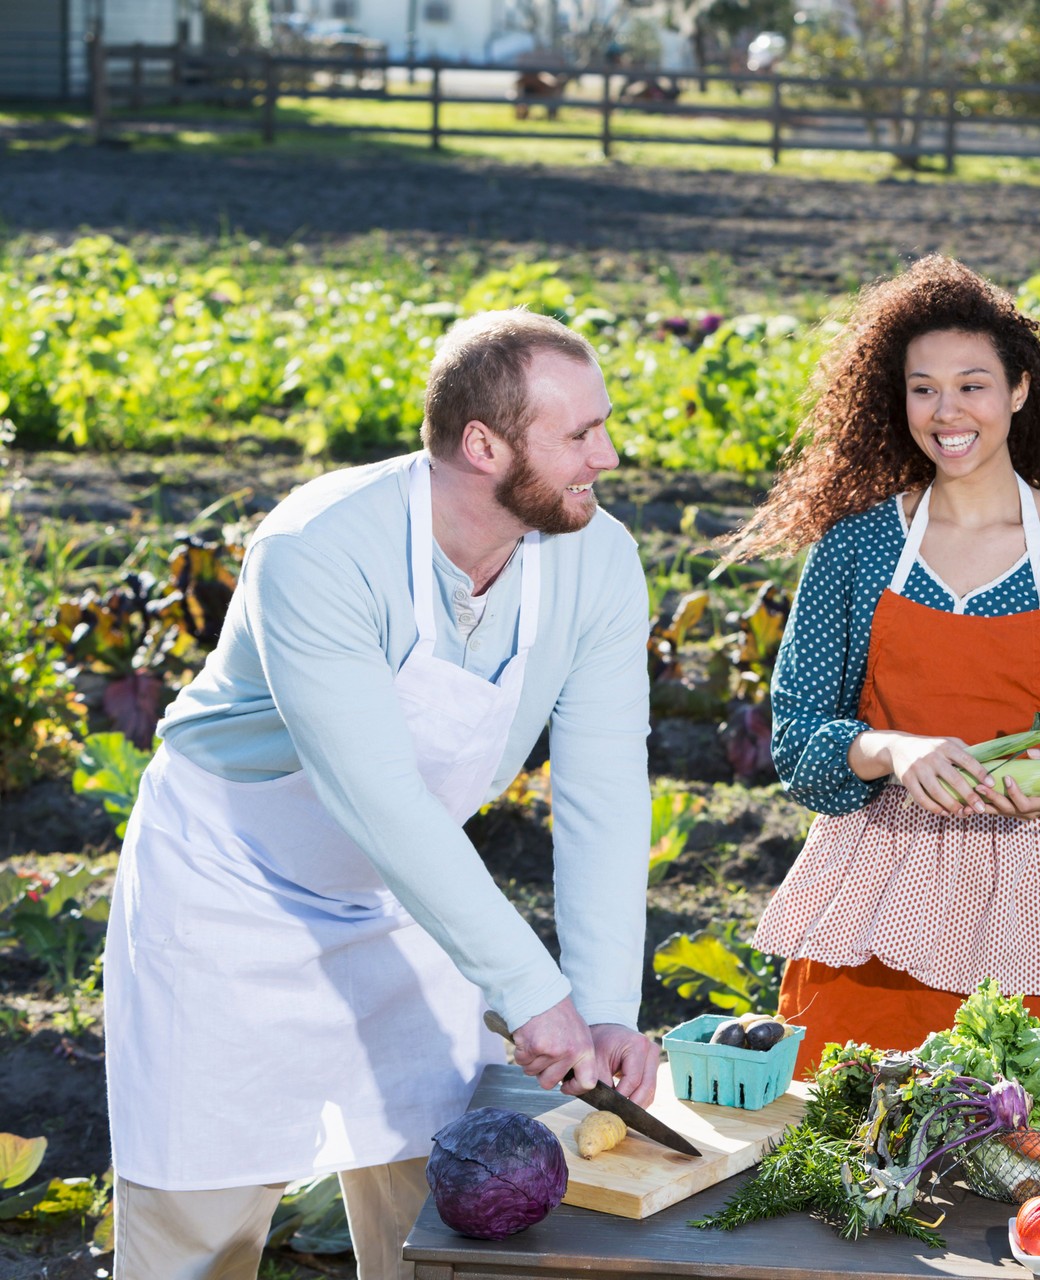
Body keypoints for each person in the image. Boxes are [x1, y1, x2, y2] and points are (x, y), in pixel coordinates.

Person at [104, 310, 658, 1280]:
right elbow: (378, 798)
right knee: (198, 1232)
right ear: (483, 444)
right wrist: (533, 994)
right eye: (580, 434)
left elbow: (605, 789)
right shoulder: (318, 547)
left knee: (442, 1214)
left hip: (405, 901)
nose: (608, 456)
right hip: (227, 890)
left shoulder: (598, 556)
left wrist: (604, 1008)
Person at [724, 255, 1040, 1074]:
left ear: (1019, 390)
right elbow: (798, 738)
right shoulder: (857, 547)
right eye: (923, 388)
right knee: (839, 1137)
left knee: (1011, 1139)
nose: (946, 411)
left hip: (1022, 898)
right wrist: (892, 750)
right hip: (870, 885)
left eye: (972, 385)